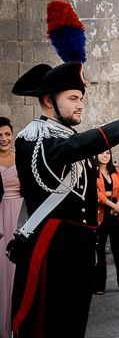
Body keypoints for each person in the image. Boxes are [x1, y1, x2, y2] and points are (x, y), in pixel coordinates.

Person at [9, 0, 119, 338]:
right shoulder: (35, 137)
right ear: (49, 100)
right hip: (51, 251)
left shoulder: (64, 136)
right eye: (73, 98)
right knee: (48, 327)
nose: (80, 105)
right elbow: (74, 148)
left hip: (77, 253)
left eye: (81, 98)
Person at [94, 149, 119, 294]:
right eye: (101, 153)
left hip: (116, 214)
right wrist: (113, 205)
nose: (104, 156)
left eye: (107, 153)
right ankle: (98, 285)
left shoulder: (115, 169)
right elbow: (97, 195)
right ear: (95, 155)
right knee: (99, 251)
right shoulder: (91, 170)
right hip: (100, 215)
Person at [0, 117, 23, 338]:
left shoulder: (20, 159)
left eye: (7, 134)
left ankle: (18, 322)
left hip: (19, 214)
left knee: (18, 269)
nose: (4, 139)